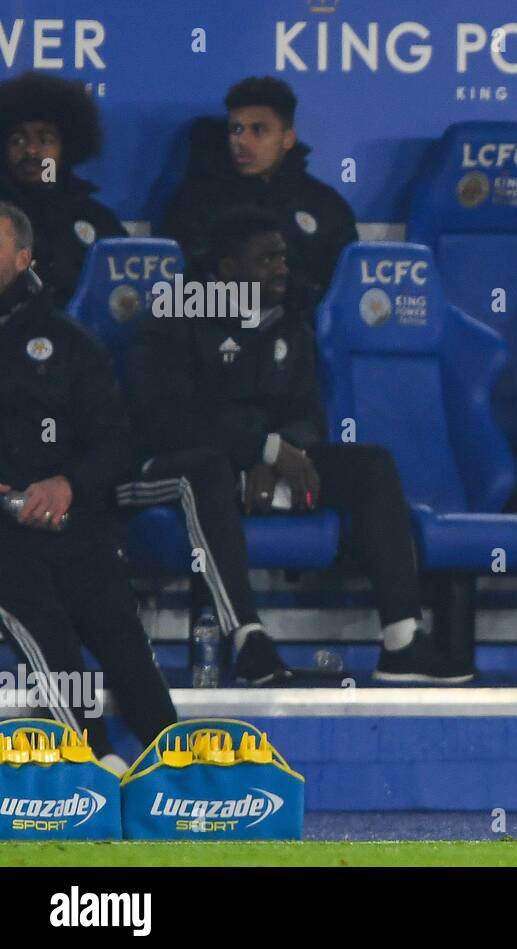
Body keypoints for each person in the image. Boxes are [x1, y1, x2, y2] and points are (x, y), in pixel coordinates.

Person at [119, 209, 468, 686]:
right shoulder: (174, 316)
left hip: (255, 468)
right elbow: (166, 420)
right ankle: (248, 640)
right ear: (226, 269)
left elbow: (307, 416)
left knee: (371, 466)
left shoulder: (289, 323)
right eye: (266, 259)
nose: (282, 268)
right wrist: (262, 449)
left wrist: (281, 454)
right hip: (154, 472)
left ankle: (402, 642)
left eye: (282, 257)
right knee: (206, 470)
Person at [0, 202, 175, 768]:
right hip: (3, 541)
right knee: (49, 634)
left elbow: (118, 445)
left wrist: (68, 485)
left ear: (23, 257)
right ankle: (94, 765)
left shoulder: (70, 344)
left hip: (74, 527)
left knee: (124, 643)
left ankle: (177, 768)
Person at [162, 76, 356, 309]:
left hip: (301, 337)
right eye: (236, 129)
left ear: (287, 138)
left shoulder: (325, 206)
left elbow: (345, 292)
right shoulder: (196, 201)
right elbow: (183, 282)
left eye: (258, 130)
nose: (241, 141)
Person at [0, 72, 127, 307]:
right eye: (17, 140)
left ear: (66, 148)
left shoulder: (97, 220)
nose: (31, 151)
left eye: (45, 139)